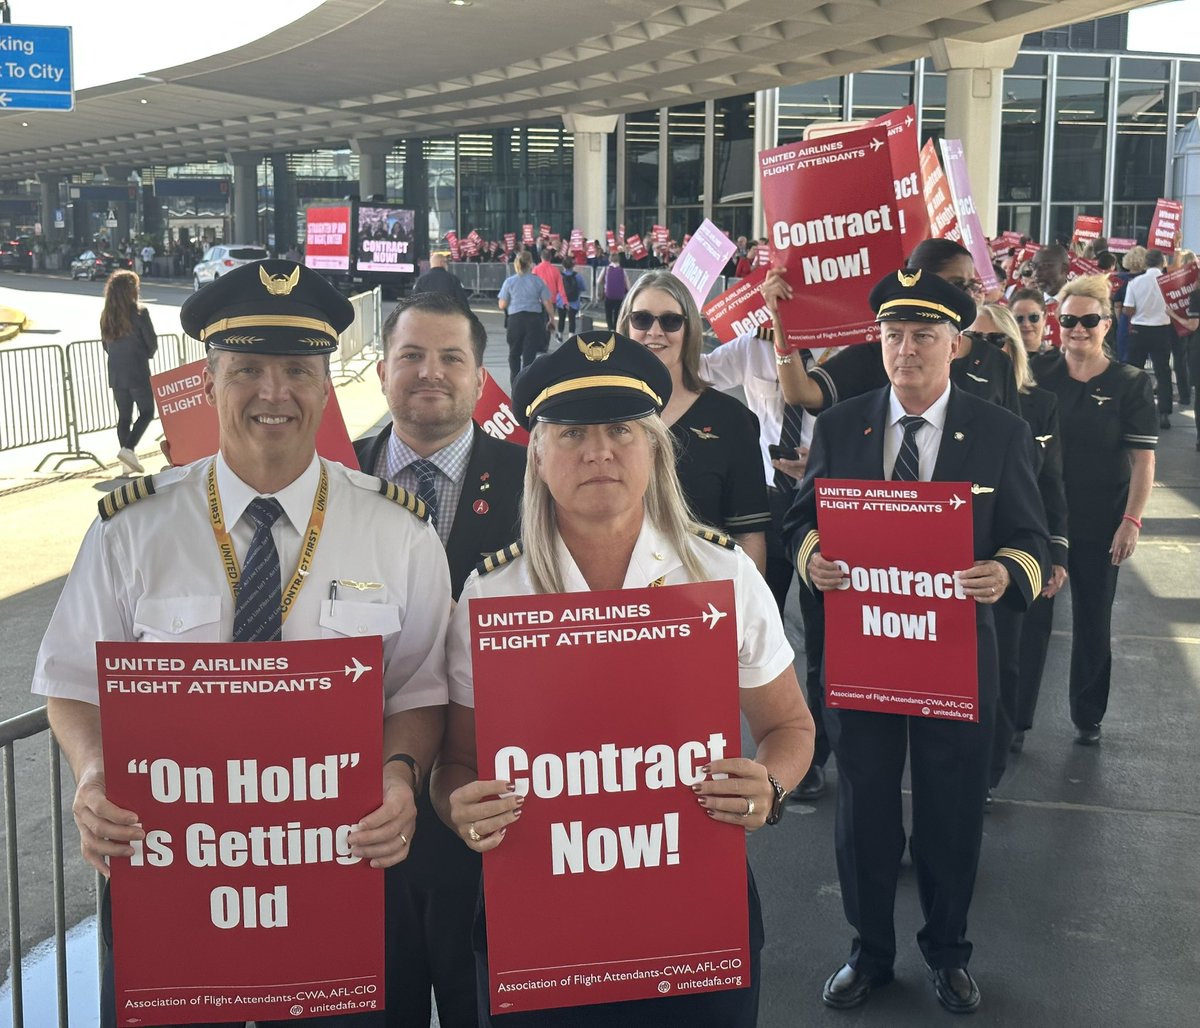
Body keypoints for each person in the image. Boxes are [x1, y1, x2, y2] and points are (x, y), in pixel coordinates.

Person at [32, 260, 452, 1028]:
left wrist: (399, 776)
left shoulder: (399, 531)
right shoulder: (133, 529)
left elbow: (419, 690)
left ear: (326, 384)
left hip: (343, 879)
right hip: (172, 883)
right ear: (208, 379)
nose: (273, 392)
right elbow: (71, 679)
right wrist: (92, 773)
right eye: (247, 369)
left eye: (297, 369)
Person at [432, 330, 815, 1026]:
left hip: (694, 918)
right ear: (538, 456)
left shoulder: (722, 576)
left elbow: (789, 726)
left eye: (621, 430)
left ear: (655, 448)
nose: (599, 451)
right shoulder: (491, 596)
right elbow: (457, 761)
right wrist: (459, 805)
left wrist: (773, 785)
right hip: (542, 928)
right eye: (572, 432)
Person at [784, 269, 1050, 1015]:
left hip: (955, 660)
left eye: (924, 336)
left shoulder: (999, 431)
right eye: (894, 336)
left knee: (951, 813)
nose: (906, 350)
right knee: (864, 813)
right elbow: (798, 523)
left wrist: (1005, 572)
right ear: (879, 341)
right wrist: (813, 560)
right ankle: (868, 951)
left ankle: (949, 952)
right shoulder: (841, 426)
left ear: (956, 344)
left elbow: (1031, 536)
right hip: (865, 654)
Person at [354, 290, 525, 1028]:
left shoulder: (536, 483)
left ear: (479, 377)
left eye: (451, 357)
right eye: (412, 356)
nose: (431, 372)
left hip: (483, 809)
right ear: (383, 371)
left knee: (476, 1005)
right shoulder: (329, 476)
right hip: (355, 814)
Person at [698, 327, 831, 798]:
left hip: (826, 503)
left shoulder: (851, 345)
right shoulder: (753, 345)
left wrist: (828, 456)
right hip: (769, 500)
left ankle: (814, 751)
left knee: (822, 637)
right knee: (755, 631)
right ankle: (746, 746)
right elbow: (697, 369)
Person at [1031, 275, 1157, 745]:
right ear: (1056, 322)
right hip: (1041, 519)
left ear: (1107, 323)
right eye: (1068, 320)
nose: (1077, 329)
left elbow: (1143, 461)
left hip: (1101, 521)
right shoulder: (1036, 372)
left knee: (1092, 618)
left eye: (1087, 320)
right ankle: (1018, 720)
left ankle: (1088, 714)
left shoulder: (1130, 384)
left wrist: (1131, 520)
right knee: (1030, 622)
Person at [967, 305, 1068, 781]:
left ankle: (990, 768)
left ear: (1014, 346)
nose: (987, 351)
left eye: (997, 342)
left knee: (1004, 664)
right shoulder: (947, 406)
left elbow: (1051, 485)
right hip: (953, 556)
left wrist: (1056, 553)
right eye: (976, 340)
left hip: (1012, 552)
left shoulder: (1040, 403)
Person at [617, 271, 771, 571]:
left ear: (690, 331)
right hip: (619, 603)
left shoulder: (732, 420)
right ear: (626, 327)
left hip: (700, 602)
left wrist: (744, 611)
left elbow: (749, 535)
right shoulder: (595, 414)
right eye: (642, 319)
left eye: (671, 321)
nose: (655, 331)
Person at [770, 239, 1020, 418]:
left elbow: (1010, 438)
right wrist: (781, 322)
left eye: (970, 283)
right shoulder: (879, 354)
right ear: (919, 281)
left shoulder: (993, 360)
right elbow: (802, 393)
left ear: (953, 348)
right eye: (956, 283)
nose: (906, 351)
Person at [99, 269, 158, 475]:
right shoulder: (140, 313)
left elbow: (105, 345)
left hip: (116, 372)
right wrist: (145, 353)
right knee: (147, 412)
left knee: (124, 417)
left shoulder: (106, 316)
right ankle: (128, 449)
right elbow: (151, 344)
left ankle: (126, 462)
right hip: (137, 370)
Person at [1121, 248, 1175, 429]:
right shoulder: (1168, 283)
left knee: (1134, 371)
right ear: (1162, 262)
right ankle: (1164, 413)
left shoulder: (1135, 282)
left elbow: (1128, 309)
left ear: (1146, 262)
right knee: (1163, 372)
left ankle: (1131, 409)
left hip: (1139, 329)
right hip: (1161, 329)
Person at [497, 250, 553, 382]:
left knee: (514, 353)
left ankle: (514, 381)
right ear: (530, 264)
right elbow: (547, 302)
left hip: (515, 320)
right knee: (529, 354)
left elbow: (502, 304)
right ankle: (526, 383)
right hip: (534, 320)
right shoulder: (538, 281)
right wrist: (551, 318)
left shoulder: (509, 282)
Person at [1113, 245, 1147, 362]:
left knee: (1123, 355)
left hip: (1125, 317)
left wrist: (1120, 320)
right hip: (1143, 317)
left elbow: (1117, 304)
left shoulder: (1119, 278)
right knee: (1139, 356)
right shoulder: (1146, 279)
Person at [531, 248, 567, 337]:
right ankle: (545, 344)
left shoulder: (536, 269)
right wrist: (565, 301)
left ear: (541, 257)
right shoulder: (556, 270)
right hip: (552, 300)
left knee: (538, 321)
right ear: (550, 258)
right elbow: (561, 288)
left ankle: (539, 343)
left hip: (538, 300)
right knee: (549, 321)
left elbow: (532, 285)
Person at [1009, 286, 1048, 357]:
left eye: (1033, 317)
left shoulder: (1060, 359)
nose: (1026, 324)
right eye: (1019, 319)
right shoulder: (1001, 359)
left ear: (1044, 316)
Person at [556, 258, 586, 338]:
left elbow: (556, 288)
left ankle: (559, 336)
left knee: (561, 318)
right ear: (573, 266)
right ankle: (571, 336)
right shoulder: (577, 276)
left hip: (561, 301)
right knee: (572, 320)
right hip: (574, 301)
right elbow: (583, 287)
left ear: (563, 265)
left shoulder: (560, 276)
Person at [600, 249, 629, 328]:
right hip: (619, 296)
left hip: (609, 295)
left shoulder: (606, 269)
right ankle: (616, 328)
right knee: (617, 313)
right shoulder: (622, 270)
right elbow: (628, 284)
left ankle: (610, 328)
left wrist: (604, 283)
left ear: (610, 259)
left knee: (608, 314)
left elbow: (598, 280)